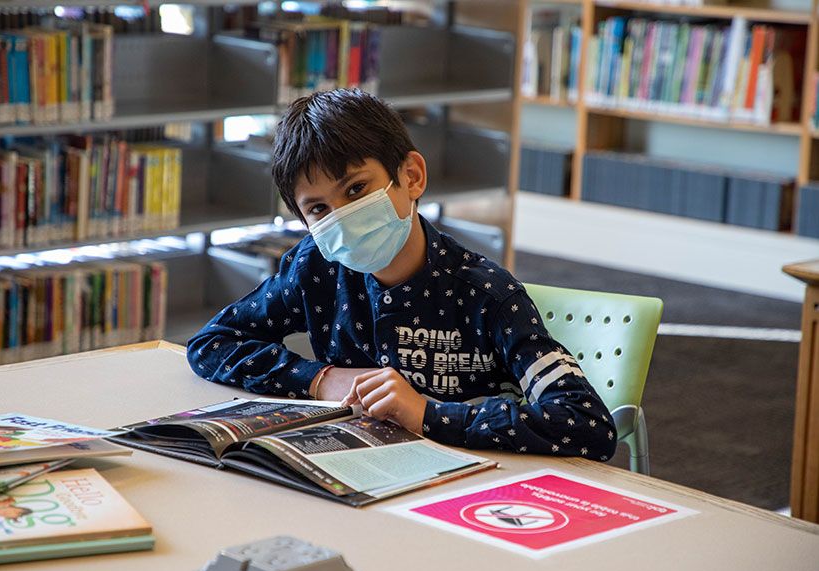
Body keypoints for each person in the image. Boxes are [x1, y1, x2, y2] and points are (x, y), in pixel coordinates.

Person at [187, 89, 617, 461]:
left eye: (356, 189)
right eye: (318, 209)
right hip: (358, 470)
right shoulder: (315, 269)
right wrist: (321, 379)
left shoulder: (487, 294)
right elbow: (212, 343)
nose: (343, 217)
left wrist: (428, 414)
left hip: (464, 489)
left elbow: (586, 422)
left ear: (410, 177)